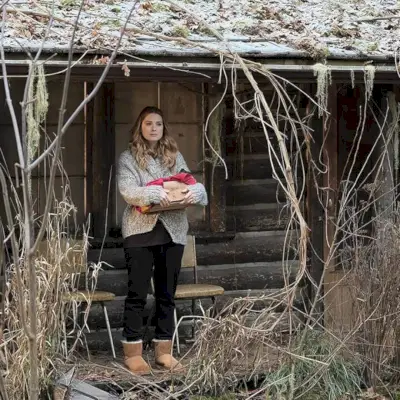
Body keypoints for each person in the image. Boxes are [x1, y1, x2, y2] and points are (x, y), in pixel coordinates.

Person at [117, 106, 208, 374]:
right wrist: (156, 192)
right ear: (140, 127)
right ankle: (133, 351)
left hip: (174, 231)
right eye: (148, 123)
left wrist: (195, 191)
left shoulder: (173, 155)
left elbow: (190, 182)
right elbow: (128, 190)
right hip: (139, 232)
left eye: (158, 123)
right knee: (138, 293)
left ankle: (163, 352)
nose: (154, 128)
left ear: (163, 127)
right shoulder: (128, 158)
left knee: (167, 294)